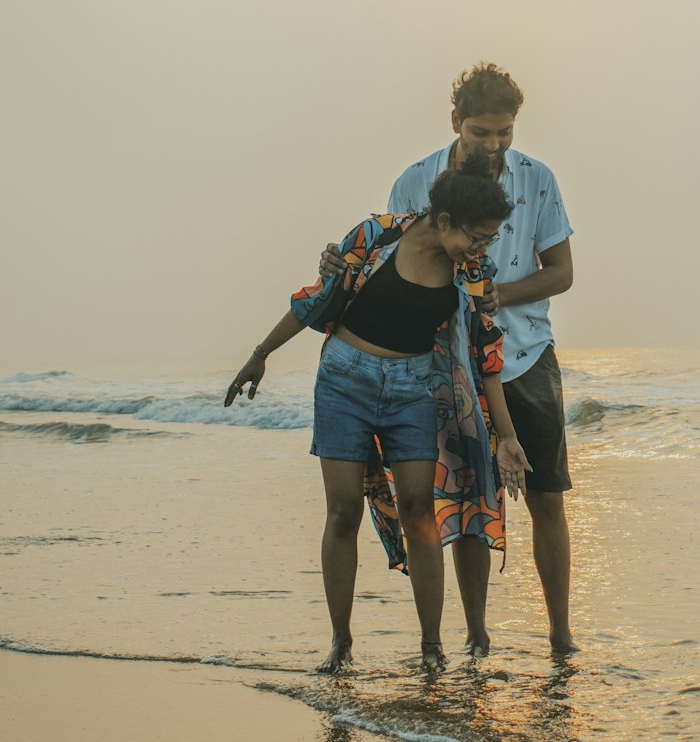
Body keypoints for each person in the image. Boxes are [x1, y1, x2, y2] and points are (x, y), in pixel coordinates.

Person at [225, 154, 530, 674]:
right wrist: (261, 353)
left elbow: (487, 354)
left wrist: (506, 436)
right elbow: (314, 299)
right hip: (344, 381)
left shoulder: (472, 272)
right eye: (475, 237)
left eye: (489, 239)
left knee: (419, 512)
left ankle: (431, 648)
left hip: (414, 389)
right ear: (444, 220)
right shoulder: (376, 237)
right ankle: (341, 644)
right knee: (342, 512)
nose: (482, 248)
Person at [319, 62, 576, 653]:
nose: (493, 144)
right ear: (456, 121)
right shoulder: (414, 181)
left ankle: (562, 636)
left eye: (504, 132)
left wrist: (494, 298)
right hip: (439, 364)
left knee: (547, 496)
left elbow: (562, 273)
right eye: (481, 132)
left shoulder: (538, 180)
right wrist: (335, 268)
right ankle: (476, 637)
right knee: (461, 499)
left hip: (526, 354)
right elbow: (388, 256)